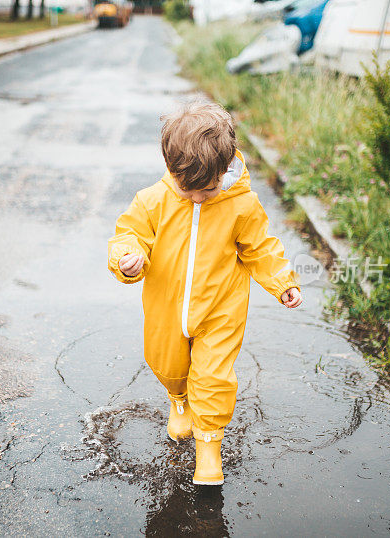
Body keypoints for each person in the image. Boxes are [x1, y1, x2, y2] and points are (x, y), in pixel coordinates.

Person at [107, 101, 303, 485]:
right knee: (168, 364)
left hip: (221, 308)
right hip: (167, 306)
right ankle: (179, 401)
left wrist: (283, 282)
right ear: (172, 167)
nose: (198, 198)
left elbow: (261, 247)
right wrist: (128, 258)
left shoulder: (241, 203)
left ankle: (209, 447)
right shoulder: (153, 200)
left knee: (213, 377)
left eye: (208, 189)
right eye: (188, 189)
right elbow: (128, 235)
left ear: (224, 169)